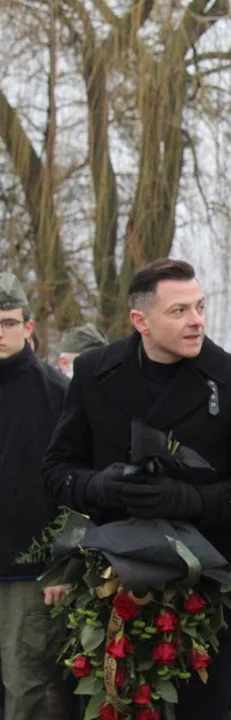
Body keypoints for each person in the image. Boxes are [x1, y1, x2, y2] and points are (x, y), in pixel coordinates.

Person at [42, 258, 231, 719]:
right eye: (179, 311)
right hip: (113, 585)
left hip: (206, 587)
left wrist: (190, 500)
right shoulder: (94, 373)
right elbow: (55, 470)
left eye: (200, 307)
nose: (197, 321)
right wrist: (98, 486)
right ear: (141, 321)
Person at [0, 273, 73, 720]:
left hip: (29, 575)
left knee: (27, 689)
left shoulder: (57, 394)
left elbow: (76, 486)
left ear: (28, 327)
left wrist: (64, 564)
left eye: (7, 322)